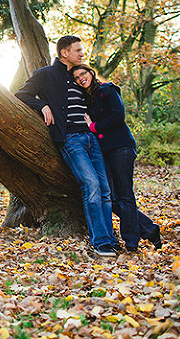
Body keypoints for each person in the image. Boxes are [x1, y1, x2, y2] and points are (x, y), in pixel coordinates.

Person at [15, 35, 119, 257]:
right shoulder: (46, 74)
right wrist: (42, 105)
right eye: (78, 50)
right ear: (64, 52)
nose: (82, 53)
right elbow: (21, 95)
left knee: (105, 189)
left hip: (93, 140)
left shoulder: (78, 77)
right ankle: (100, 242)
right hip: (71, 140)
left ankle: (110, 239)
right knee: (90, 185)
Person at [71, 63, 162, 252]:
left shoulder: (107, 90)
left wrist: (93, 127)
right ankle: (149, 229)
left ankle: (131, 243)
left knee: (125, 195)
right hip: (104, 151)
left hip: (121, 147)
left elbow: (118, 116)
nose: (81, 79)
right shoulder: (86, 99)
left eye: (83, 74)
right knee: (110, 198)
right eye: (77, 78)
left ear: (90, 72)